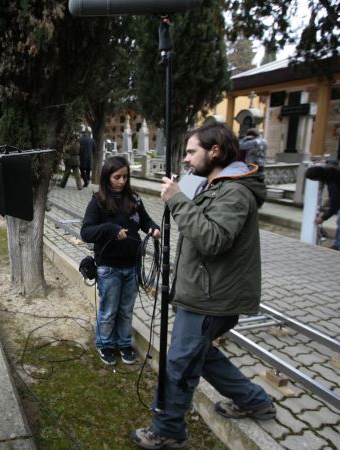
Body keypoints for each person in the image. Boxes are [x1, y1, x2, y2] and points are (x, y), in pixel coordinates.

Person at [131, 123, 276, 449]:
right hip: (204, 293)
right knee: (200, 356)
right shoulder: (218, 185)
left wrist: (178, 200)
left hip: (210, 299)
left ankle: (168, 431)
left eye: (191, 151)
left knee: (180, 363)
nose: (186, 159)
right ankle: (256, 401)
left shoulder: (235, 192)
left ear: (215, 151)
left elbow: (211, 240)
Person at [80, 156, 161, 366]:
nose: (121, 181)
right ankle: (105, 344)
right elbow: (86, 232)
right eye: (117, 177)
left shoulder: (134, 199)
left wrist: (153, 228)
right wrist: (111, 230)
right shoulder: (97, 201)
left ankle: (124, 343)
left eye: (125, 176)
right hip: (109, 268)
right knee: (109, 310)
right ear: (107, 177)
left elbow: (145, 221)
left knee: (126, 309)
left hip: (133, 266)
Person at [305, 161, 340, 250]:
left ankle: (338, 246)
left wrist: (323, 218)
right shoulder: (331, 171)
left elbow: (334, 207)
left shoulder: (333, 184)